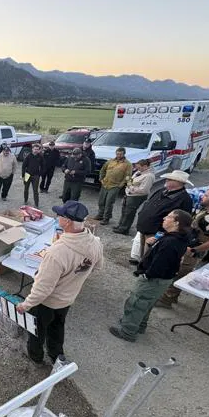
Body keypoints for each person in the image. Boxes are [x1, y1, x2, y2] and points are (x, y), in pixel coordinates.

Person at [16, 201, 104, 364]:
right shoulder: (95, 242)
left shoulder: (57, 252)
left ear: (68, 221)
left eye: (60, 215)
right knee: (57, 326)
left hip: (47, 302)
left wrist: (25, 305)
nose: (57, 217)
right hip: (68, 298)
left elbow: (43, 289)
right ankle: (57, 355)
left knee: (37, 329)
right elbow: (98, 266)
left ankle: (36, 356)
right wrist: (76, 275)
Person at [109, 210, 193, 341]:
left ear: (177, 223)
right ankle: (140, 325)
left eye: (169, 217)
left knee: (136, 303)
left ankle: (127, 332)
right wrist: (151, 244)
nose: (165, 218)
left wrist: (146, 275)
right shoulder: (179, 237)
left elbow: (159, 264)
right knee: (147, 303)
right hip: (163, 279)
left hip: (154, 279)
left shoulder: (170, 242)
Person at [156, 187, 209, 309]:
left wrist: (193, 250)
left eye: (206, 196)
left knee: (180, 272)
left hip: (192, 250)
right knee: (181, 271)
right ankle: (171, 296)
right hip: (193, 247)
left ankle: (166, 300)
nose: (203, 196)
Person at [134, 170, 194, 259]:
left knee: (151, 255)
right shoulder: (161, 191)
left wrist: (164, 234)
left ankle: (145, 270)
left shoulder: (185, 199)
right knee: (143, 252)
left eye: (170, 179)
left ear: (179, 183)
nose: (167, 180)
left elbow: (182, 220)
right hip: (145, 227)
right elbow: (149, 202)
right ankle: (141, 265)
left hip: (158, 232)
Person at [113, 159, 155, 235]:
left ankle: (124, 229)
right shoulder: (139, 172)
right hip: (129, 194)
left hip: (136, 197)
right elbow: (131, 180)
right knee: (124, 211)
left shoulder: (149, 176)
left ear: (145, 166)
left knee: (129, 213)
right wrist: (128, 181)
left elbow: (144, 190)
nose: (137, 169)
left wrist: (131, 187)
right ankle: (120, 225)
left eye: (139, 167)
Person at [93, 147, 132, 225]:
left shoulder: (128, 164)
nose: (119, 155)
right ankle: (100, 215)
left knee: (109, 203)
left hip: (115, 186)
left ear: (124, 154)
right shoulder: (110, 161)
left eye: (120, 154)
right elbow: (103, 169)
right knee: (101, 201)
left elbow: (128, 176)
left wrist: (121, 185)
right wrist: (101, 179)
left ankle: (106, 218)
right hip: (105, 184)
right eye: (117, 153)